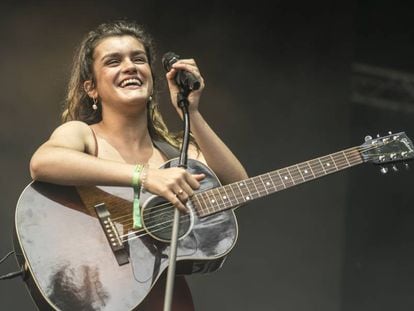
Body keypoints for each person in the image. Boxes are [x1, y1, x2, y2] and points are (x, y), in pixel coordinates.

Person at [29, 20, 248, 310]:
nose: (130, 66)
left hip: (158, 290)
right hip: (96, 285)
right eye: (113, 61)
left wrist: (190, 111)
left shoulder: (177, 154)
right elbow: (43, 163)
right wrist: (144, 176)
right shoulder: (83, 134)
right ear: (91, 88)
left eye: (139, 59)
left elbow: (236, 187)